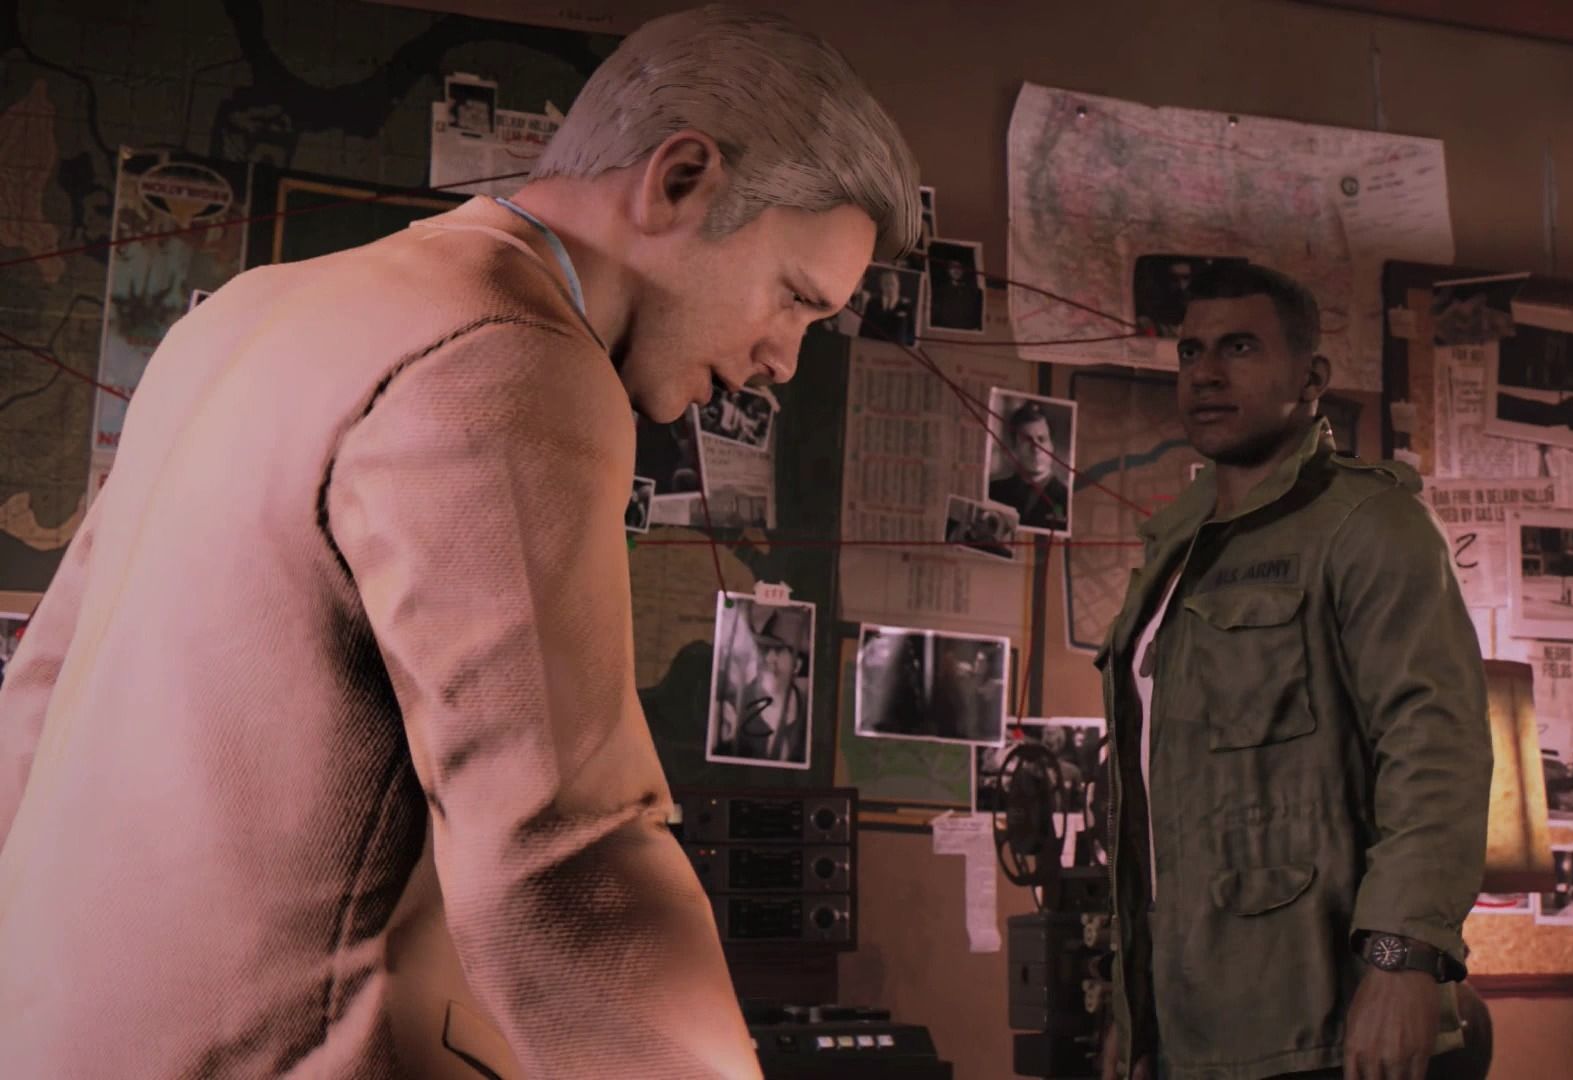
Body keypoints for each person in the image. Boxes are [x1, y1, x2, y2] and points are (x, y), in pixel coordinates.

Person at [0, 7, 918, 1079]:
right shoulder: (507, 353)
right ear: (679, 181)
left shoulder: (239, 315)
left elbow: (39, 700)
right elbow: (564, 859)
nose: (785, 361)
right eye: (795, 300)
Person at [1096, 262, 1492, 1080]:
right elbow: (1156, 824)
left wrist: (1403, 958)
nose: (1206, 373)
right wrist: (1135, 1019)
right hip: (1194, 1029)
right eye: (1191, 351)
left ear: (1311, 379)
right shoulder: (1176, 550)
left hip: (1325, 1025)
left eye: (1239, 347)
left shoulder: (1370, 524)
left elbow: (1435, 748)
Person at [715, 605, 808, 764]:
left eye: (779, 651)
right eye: (766, 649)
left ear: (796, 666)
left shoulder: (808, 712)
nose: (769, 658)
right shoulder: (733, 708)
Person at [988, 399, 1070, 532]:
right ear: (1014, 447)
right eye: (1027, 440)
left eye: (1042, 439)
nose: (1036, 448)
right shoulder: (994, 492)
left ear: (1052, 446)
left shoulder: (1067, 499)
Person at [858, 266, 914, 343]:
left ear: (898, 284)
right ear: (881, 285)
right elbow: (864, 327)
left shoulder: (906, 305)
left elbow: (911, 331)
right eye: (886, 284)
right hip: (873, 344)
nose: (890, 287)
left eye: (892, 283)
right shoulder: (872, 302)